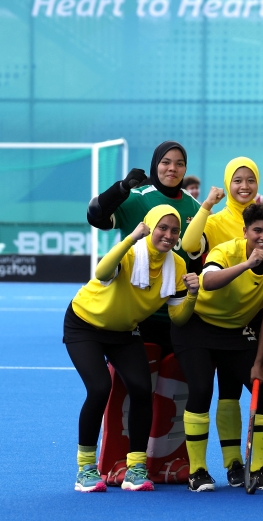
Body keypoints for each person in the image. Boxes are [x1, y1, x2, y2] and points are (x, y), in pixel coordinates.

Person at [64, 205, 197, 493]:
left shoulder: (177, 266)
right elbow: (101, 272)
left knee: (141, 388)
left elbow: (178, 318)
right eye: (162, 227)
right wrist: (130, 239)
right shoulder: (131, 252)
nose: (169, 234)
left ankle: (136, 467)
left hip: (123, 332)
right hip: (84, 324)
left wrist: (193, 296)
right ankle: (85, 469)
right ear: (149, 226)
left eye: (174, 230)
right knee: (99, 388)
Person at [172, 203, 263, 493]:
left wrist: (260, 361)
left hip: (236, 332)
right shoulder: (225, 251)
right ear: (245, 232)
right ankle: (198, 471)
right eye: (257, 231)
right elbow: (209, 282)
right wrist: (248, 264)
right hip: (197, 327)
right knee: (201, 390)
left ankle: (258, 469)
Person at [86, 141, 201, 352]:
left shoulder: (194, 206)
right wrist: (121, 188)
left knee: (172, 379)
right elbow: (96, 216)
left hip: (173, 311)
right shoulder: (137, 197)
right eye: (165, 162)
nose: (172, 169)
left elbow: (197, 257)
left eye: (179, 164)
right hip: (134, 312)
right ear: (155, 165)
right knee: (136, 381)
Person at [180, 157, 260, 260]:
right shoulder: (215, 223)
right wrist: (208, 204)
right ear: (227, 184)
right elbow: (188, 245)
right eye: (237, 181)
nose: (245, 186)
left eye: (251, 180)